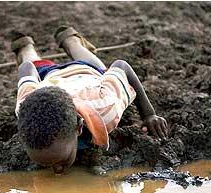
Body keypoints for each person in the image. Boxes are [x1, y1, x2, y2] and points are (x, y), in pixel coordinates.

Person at [13, 26, 169, 175]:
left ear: (79, 127)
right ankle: (25, 48)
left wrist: (148, 115)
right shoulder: (25, 107)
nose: (57, 170)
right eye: (44, 164)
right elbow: (26, 67)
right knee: (31, 60)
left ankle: (70, 41)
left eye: (61, 161)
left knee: (97, 67)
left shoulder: (106, 107)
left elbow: (122, 66)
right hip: (50, 77)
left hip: (86, 73)